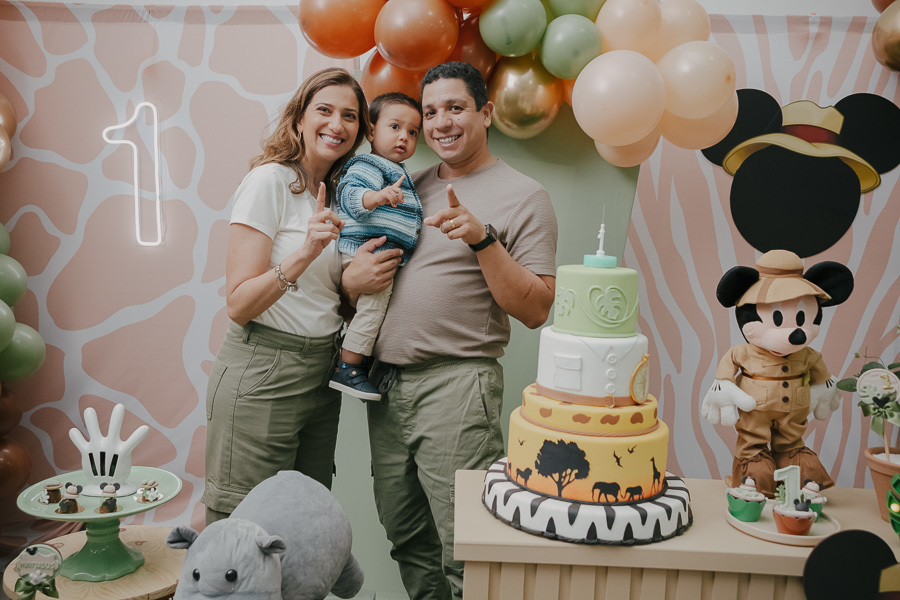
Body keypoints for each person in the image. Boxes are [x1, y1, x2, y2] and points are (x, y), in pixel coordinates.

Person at [342, 62, 558, 600]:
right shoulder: (405, 184)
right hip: (386, 387)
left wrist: (484, 241)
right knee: (407, 536)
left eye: (455, 108)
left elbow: (537, 310)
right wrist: (350, 278)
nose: (439, 123)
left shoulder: (524, 195)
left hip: (457, 386)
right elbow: (366, 271)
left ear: (486, 113)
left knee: (468, 544)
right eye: (430, 111)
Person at [202, 68, 402, 525]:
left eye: (349, 115)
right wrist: (307, 251)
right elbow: (238, 303)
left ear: (359, 131)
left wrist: (357, 284)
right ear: (298, 120)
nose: (337, 124)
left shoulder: (345, 196)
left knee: (302, 530)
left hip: (320, 374)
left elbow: (327, 300)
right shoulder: (270, 182)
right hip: (264, 371)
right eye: (324, 110)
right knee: (241, 533)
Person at [329, 93, 423, 401]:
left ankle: (356, 356)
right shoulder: (369, 164)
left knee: (374, 309)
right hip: (361, 250)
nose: (403, 137)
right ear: (371, 132)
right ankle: (349, 367)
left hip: (373, 253)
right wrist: (378, 197)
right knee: (373, 307)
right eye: (394, 126)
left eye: (412, 132)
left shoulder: (394, 170)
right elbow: (352, 196)